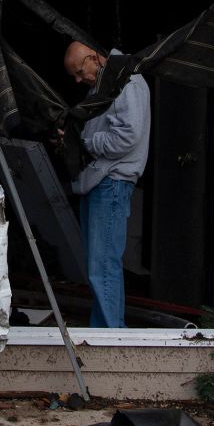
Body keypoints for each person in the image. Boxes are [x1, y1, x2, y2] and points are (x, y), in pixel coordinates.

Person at [62, 41, 150, 328]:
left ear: (93, 58)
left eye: (79, 72)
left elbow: (128, 136)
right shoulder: (107, 80)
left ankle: (110, 335)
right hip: (102, 181)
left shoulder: (127, 80)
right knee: (99, 265)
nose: (77, 80)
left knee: (102, 266)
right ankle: (108, 329)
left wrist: (85, 142)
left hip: (110, 182)